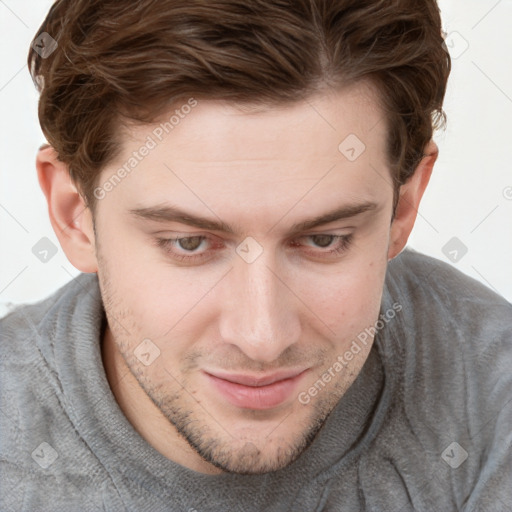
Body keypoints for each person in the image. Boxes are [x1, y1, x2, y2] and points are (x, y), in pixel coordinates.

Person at [1, 0, 510, 510]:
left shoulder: (494, 403)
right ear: (75, 216)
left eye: (323, 239)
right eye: (190, 243)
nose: (261, 339)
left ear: (404, 206)